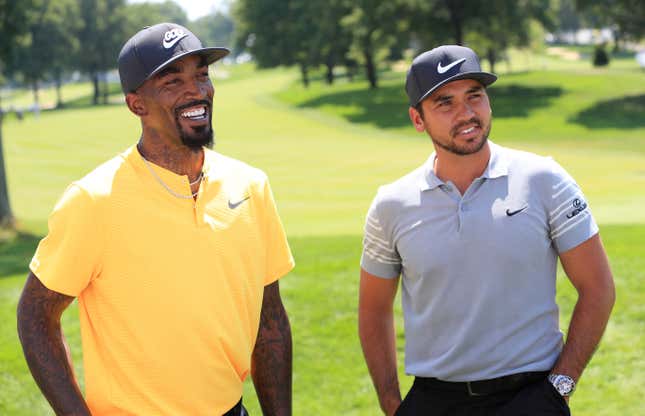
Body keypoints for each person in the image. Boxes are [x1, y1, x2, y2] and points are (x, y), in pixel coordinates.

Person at [17, 23, 294, 416]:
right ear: (136, 104)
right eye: (172, 81)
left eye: (201, 74)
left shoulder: (251, 186)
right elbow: (34, 316)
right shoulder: (93, 200)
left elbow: (270, 323)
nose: (196, 91)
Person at [358, 45, 615, 416]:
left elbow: (598, 288)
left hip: (531, 397)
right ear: (418, 119)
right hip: (434, 401)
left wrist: (560, 386)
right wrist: (392, 404)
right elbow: (372, 309)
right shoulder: (390, 205)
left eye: (474, 96)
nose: (466, 113)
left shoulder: (545, 179)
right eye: (445, 103)